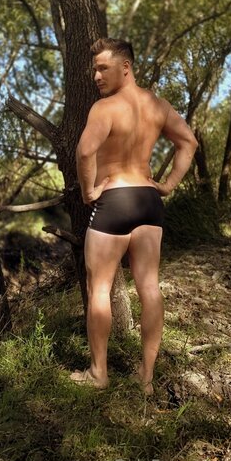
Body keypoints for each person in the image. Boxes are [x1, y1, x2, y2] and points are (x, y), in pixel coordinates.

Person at [70, 38, 198, 394]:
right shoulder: (158, 106)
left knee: (99, 288)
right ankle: (146, 378)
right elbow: (188, 142)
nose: (96, 76)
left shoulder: (104, 108)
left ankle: (99, 374)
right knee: (149, 287)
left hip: (114, 200)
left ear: (125, 67)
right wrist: (167, 185)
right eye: (94, 70)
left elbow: (85, 152)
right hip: (148, 201)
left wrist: (88, 192)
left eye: (103, 68)